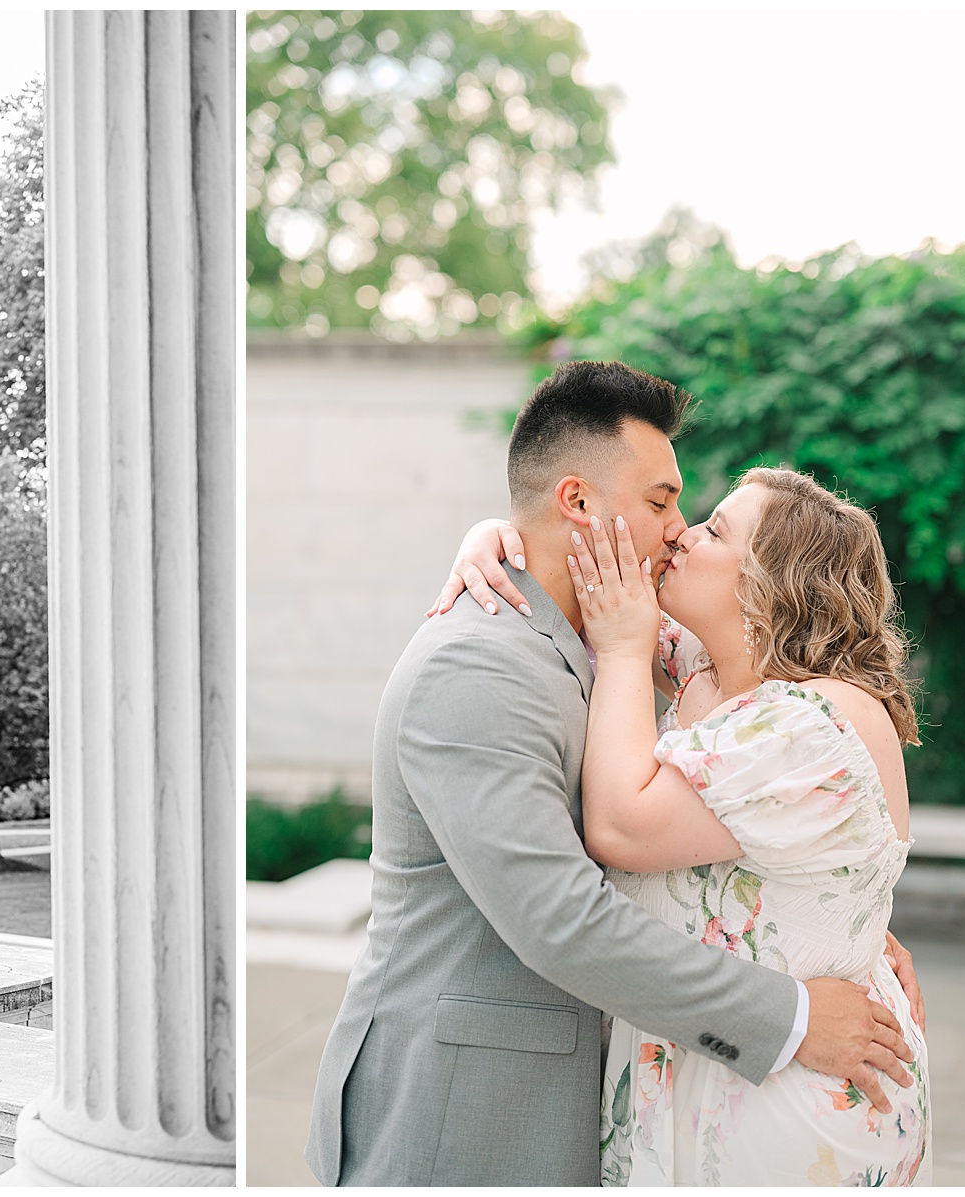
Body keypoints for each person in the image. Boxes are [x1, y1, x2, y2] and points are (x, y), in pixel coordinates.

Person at [303, 361, 920, 1186]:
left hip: (648, 1101)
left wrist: (844, 921)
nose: (678, 529)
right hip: (467, 1111)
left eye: (696, 518)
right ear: (580, 503)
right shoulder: (483, 666)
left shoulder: (610, 638)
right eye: (664, 503)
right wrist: (793, 1011)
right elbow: (564, 919)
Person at [444, 468, 930, 1184]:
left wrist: (620, 653)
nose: (681, 530)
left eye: (715, 529)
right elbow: (594, 584)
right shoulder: (713, 668)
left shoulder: (818, 719)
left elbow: (621, 825)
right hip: (709, 1062)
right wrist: (493, 537)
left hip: (790, 1100)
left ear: (772, 582)